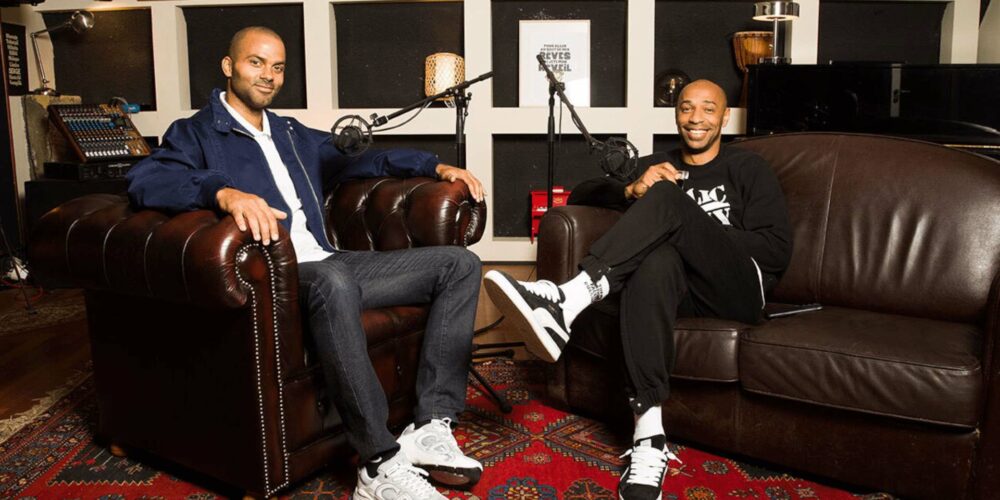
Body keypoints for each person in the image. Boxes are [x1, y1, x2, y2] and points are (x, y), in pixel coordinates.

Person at [127, 26, 485, 500]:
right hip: (279, 277)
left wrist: (434, 166)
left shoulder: (291, 133)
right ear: (229, 66)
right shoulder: (196, 133)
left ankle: (431, 425)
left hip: (329, 262)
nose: (268, 76)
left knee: (459, 264)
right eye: (256, 63)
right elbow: (145, 179)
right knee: (333, 279)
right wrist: (222, 192)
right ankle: (377, 464)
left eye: (277, 67)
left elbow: (364, 159)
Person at [484, 79, 792, 500]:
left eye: (708, 109)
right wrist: (632, 188)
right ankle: (649, 437)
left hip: (737, 288)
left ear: (724, 118)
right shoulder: (657, 165)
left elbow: (776, 249)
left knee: (668, 206)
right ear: (676, 115)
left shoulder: (747, 168)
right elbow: (582, 194)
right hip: (680, 289)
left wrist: (692, 228)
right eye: (686, 108)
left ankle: (570, 298)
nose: (696, 118)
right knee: (654, 262)